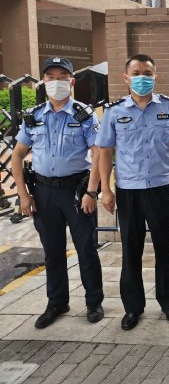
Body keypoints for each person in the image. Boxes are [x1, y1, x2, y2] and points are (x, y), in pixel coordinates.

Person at [10, 57, 104, 329]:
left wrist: (91, 192)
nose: (56, 82)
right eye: (50, 77)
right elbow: (17, 156)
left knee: (86, 249)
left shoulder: (83, 114)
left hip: (76, 191)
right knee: (52, 251)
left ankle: (93, 302)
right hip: (44, 192)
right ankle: (57, 302)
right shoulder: (34, 116)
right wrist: (24, 195)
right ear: (43, 81)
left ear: (71, 81)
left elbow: (99, 153)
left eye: (62, 77)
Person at [96, 54, 169, 331]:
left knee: (165, 248)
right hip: (128, 191)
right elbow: (104, 151)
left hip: (160, 188)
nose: (142, 77)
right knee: (130, 250)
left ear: (155, 76)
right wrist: (105, 189)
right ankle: (133, 307)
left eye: (147, 73)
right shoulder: (114, 111)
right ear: (126, 78)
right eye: (136, 73)